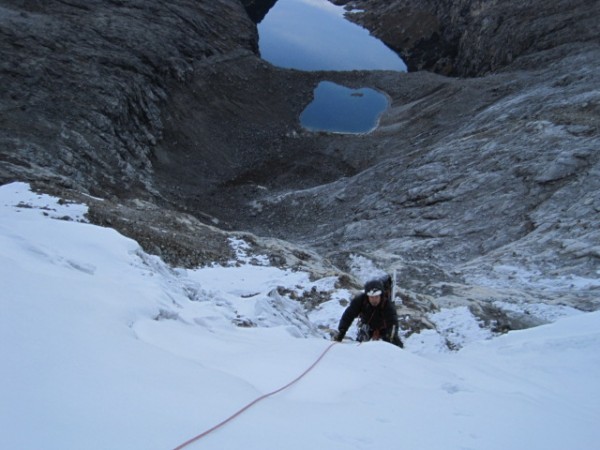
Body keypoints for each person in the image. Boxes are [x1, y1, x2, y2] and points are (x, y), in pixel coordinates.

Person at [333, 276, 403, 348]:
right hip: (367, 326)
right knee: (360, 345)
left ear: (381, 296)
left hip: (384, 328)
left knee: (395, 345)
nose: (374, 300)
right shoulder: (360, 301)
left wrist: (391, 337)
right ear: (367, 296)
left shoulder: (387, 305)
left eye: (376, 297)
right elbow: (348, 315)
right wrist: (342, 332)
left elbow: (393, 323)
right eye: (371, 297)